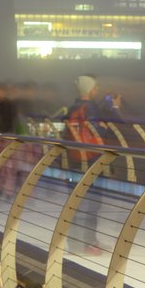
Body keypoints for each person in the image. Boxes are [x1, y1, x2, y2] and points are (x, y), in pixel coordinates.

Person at [62, 74, 120, 255]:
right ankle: (89, 242)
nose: (97, 90)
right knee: (92, 203)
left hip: (74, 158)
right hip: (92, 158)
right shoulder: (91, 109)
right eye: (95, 87)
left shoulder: (72, 108)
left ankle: (74, 244)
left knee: (75, 202)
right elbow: (102, 129)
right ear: (89, 90)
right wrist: (115, 108)